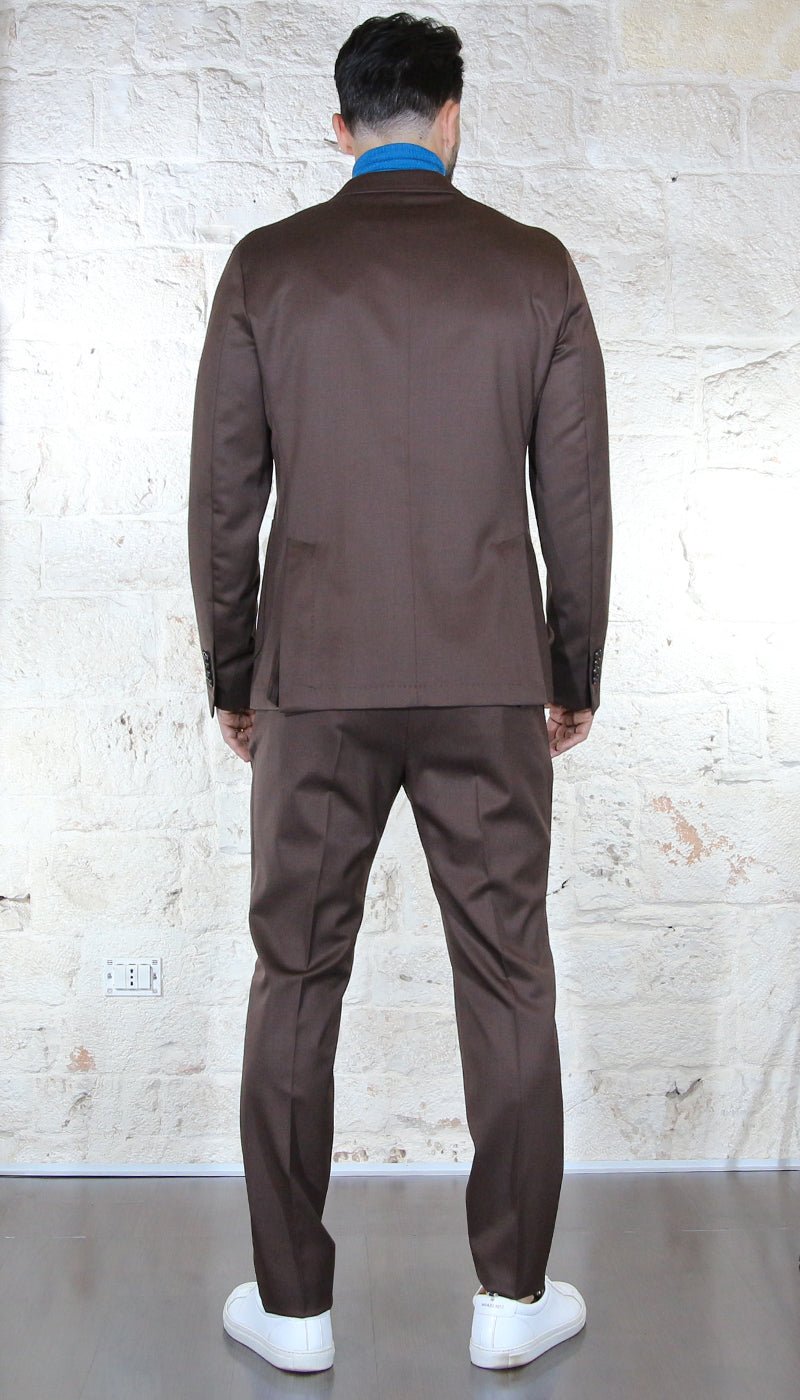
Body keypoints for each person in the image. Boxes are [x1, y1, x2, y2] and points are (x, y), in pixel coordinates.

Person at [187, 10, 612, 1376]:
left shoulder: (268, 269)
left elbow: (223, 503)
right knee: (509, 972)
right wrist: (572, 668)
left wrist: (237, 674)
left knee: (295, 973)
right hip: (489, 681)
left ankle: (293, 1311)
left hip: (317, 681)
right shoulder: (534, 270)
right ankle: (512, 1299)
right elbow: (575, 501)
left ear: (340, 125)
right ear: (452, 117)